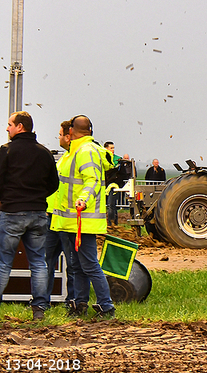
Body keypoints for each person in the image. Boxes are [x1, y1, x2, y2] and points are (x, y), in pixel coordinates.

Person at [51, 115, 115, 318]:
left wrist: (83, 200)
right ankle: (79, 305)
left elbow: (93, 180)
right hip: (70, 221)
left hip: (83, 221)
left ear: (71, 131)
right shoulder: (75, 151)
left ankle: (107, 306)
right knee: (77, 266)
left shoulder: (85, 151)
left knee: (89, 265)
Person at [0, 111, 59, 320]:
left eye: (9, 124)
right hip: (38, 214)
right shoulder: (44, 153)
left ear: (20, 127)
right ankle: (40, 308)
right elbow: (54, 184)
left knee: (4, 262)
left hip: (12, 212)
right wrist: (38, 197)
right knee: (38, 262)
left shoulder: (6, 151)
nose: (7, 128)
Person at [45, 120, 76, 311]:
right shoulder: (64, 157)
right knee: (45, 261)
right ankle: (42, 300)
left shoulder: (77, 157)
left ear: (68, 135)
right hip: (53, 217)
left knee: (72, 264)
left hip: (69, 219)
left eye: (59, 134)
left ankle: (73, 302)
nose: (58, 137)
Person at [103, 141, 121, 226]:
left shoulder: (117, 159)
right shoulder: (102, 158)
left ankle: (112, 223)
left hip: (113, 185)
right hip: (103, 185)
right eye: (111, 148)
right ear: (106, 149)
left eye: (113, 148)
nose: (113, 150)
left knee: (111, 204)